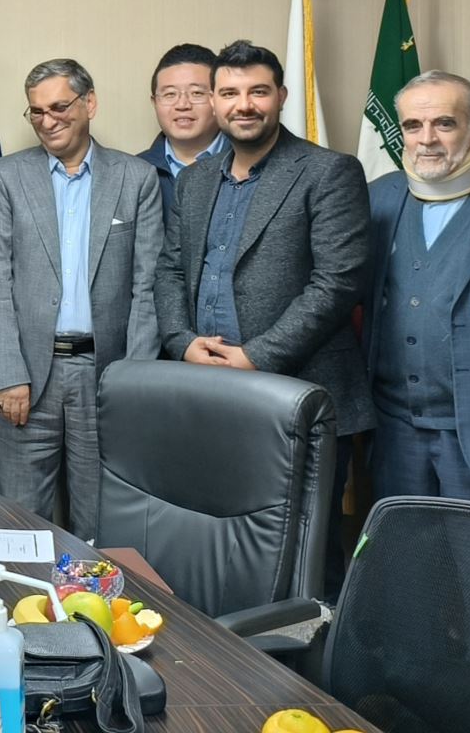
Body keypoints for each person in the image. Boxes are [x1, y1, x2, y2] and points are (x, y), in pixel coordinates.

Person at [155, 40, 372, 581]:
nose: (244, 105)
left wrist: (259, 355)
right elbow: (171, 270)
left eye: (258, 91)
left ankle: (316, 638)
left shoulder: (328, 171)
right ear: (214, 101)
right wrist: (182, 341)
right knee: (224, 542)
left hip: (301, 391)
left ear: (281, 96)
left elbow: (338, 281)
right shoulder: (195, 179)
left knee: (306, 553)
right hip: (211, 391)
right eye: (230, 93)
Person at [0, 58, 162, 540]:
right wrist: (8, 374)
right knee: (18, 524)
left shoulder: (136, 177)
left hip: (106, 376)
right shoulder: (5, 176)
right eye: (36, 111)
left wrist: (134, 382)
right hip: (26, 380)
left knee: (103, 524)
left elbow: (147, 288)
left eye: (59, 107)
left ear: (89, 103)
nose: (48, 120)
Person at [364, 71, 470, 505]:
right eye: (412, 126)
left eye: (444, 123)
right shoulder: (375, 198)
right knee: (402, 550)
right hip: (392, 430)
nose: (427, 140)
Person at [140, 43, 226, 224]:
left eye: (196, 93)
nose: (182, 105)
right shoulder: (134, 171)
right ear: (155, 103)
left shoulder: (245, 163)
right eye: (170, 94)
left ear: (218, 98)